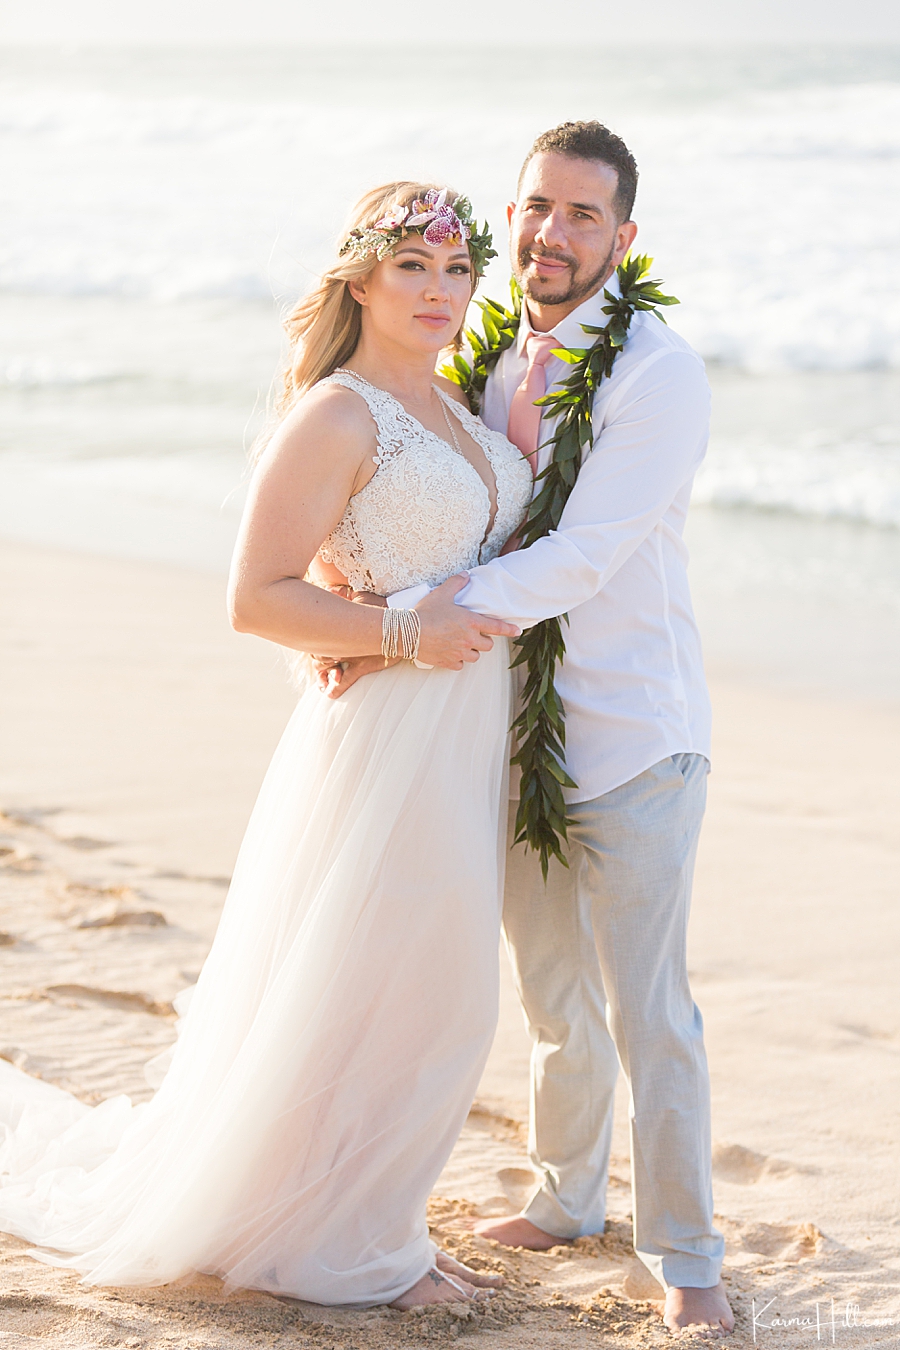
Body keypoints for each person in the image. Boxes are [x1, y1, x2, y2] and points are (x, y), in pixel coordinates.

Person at [0, 180, 532, 1309]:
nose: (440, 293)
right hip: (385, 738)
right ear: (362, 278)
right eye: (413, 270)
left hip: (461, 734)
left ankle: (370, 1213)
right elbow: (254, 597)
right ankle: (342, 1242)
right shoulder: (337, 414)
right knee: (392, 987)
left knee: (429, 992)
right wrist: (399, 627)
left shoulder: (454, 407)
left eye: (454, 271)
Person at [324, 123, 735, 1338]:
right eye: (536, 208)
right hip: (516, 735)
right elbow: (465, 523)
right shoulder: (493, 358)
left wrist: (395, 621)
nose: (551, 235)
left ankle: (690, 1255)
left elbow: (582, 553)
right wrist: (371, 607)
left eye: (582, 216)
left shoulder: (659, 372)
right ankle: (566, 1198)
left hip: (635, 738)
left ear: (625, 237)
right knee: (553, 991)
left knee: (650, 1009)